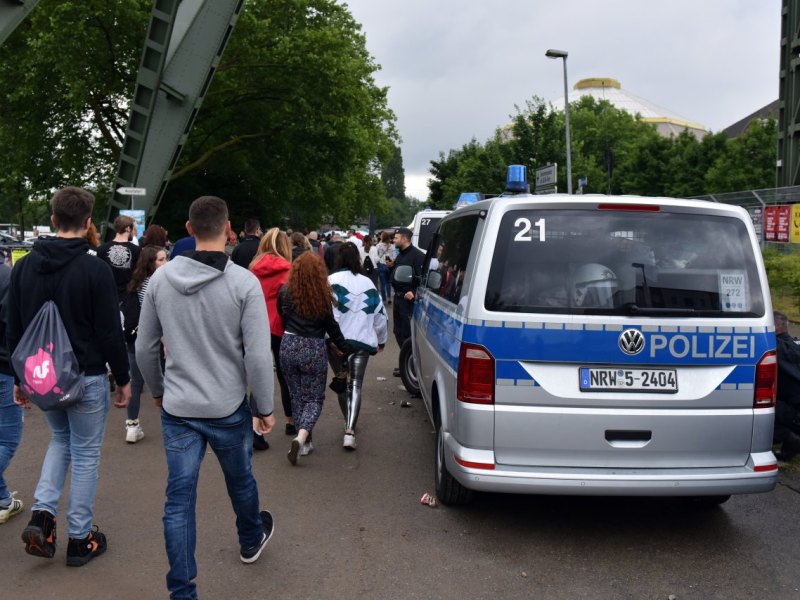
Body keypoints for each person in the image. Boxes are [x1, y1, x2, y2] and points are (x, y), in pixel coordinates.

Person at [136, 195, 275, 598]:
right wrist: (264, 407)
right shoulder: (243, 283)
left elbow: (145, 348)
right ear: (228, 228)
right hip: (227, 405)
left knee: (178, 498)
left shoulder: (160, 281)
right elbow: (257, 355)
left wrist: (159, 391)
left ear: (189, 228)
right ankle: (250, 537)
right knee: (240, 480)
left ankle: (182, 590)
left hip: (179, 406)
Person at [8, 186, 131, 566]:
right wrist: (123, 378)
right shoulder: (95, 269)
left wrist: (19, 378)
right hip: (86, 375)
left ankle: (43, 518)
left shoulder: (25, 265)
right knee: (86, 453)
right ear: (88, 223)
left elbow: (13, 326)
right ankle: (80, 537)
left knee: (59, 441)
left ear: (53, 220)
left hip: (41, 375)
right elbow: (110, 331)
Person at [278, 252, 349, 464]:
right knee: (315, 398)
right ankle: (302, 437)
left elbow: (282, 316)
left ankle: (305, 443)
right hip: (313, 347)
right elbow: (332, 328)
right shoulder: (322, 296)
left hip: (288, 344)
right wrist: (345, 348)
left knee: (296, 395)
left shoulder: (285, 292)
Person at [328, 242, 388, 449]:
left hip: (335, 343)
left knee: (341, 381)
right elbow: (380, 315)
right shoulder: (368, 284)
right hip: (361, 342)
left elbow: (324, 312)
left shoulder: (330, 281)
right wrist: (381, 340)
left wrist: (327, 338)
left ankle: (348, 418)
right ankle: (350, 430)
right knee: (356, 385)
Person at [250, 227, 294, 441]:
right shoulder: (288, 270)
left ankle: (255, 428)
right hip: (279, 327)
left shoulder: (253, 268)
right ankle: (291, 420)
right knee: (285, 376)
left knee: (259, 376)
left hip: (256, 326)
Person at [123, 245, 167, 443]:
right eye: (161, 259)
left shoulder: (136, 284)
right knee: (166, 382)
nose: (166, 263)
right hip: (157, 339)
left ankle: (131, 424)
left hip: (136, 339)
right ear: (151, 263)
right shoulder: (158, 284)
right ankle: (170, 424)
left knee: (136, 383)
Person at [0, 263, 23, 524]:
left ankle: (4, 499)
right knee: (8, 439)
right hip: (3, 367)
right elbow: (12, 325)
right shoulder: (6, 275)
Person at [386, 227, 424, 377]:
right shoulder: (401, 255)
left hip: (408, 302)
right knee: (398, 332)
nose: (394, 240)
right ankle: (405, 363)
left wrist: (414, 293)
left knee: (408, 334)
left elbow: (423, 279)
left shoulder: (417, 256)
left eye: (396, 238)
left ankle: (412, 367)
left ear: (405, 239)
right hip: (398, 299)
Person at [773, 311, 800, 461]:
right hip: (795, 410)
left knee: (760, 405)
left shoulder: (776, 348)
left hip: (796, 414)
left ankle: (791, 439)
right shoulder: (794, 346)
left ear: (775, 329)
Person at [97, 214, 141, 295]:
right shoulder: (137, 250)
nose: (134, 232)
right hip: (126, 297)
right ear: (128, 228)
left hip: (105, 294)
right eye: (133, 229)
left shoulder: (101, 249)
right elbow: (138, 274)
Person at [375, 231, 394, 304]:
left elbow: (376, 256)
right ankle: (389, 297)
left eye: (381, 236)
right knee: (388, 282)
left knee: (382, 283)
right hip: (389, 265)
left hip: (381, 264)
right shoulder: (392, 246)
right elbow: (394, 256)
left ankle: (384, 299)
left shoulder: (378, 246)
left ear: (383, 237)